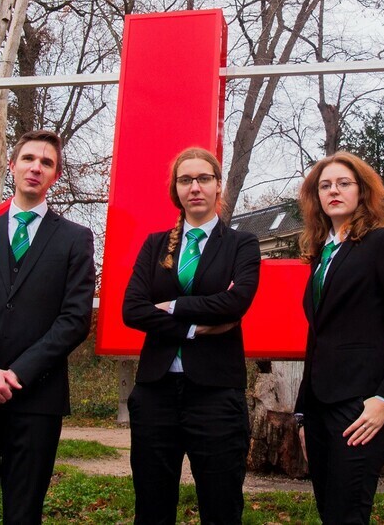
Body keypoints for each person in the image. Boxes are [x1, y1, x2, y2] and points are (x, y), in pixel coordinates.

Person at [0, 130, 97, 525]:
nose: (35, 167)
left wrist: (15, 375)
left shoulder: (76, 239)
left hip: (36, 399)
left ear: (55, 176)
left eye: (46, 163)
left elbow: (74, 320)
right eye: (28, 159)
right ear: (12, 166)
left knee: (24, 514)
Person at [122, 147, 261, 524]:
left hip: (216, 393)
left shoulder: (241, 244)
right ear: (176, 189)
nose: (194, 187)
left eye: (203, 178)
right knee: (151, 507)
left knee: (221, 507)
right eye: (186, 180)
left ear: (218, 186)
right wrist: (195, 325)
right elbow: (132, 309)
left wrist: (171, 306)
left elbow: (236, 303)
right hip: (155, 392)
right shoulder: (154, 245)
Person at [294, 151, 384, 525]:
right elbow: (317, 337)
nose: (333, 190)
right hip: (319, 404)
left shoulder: (382, 243)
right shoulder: (323, 253)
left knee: (349, 512)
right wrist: (303, 411)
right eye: (325, 185)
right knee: (329, 512)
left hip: (362, 403)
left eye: (343, 183)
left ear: (362, 191)